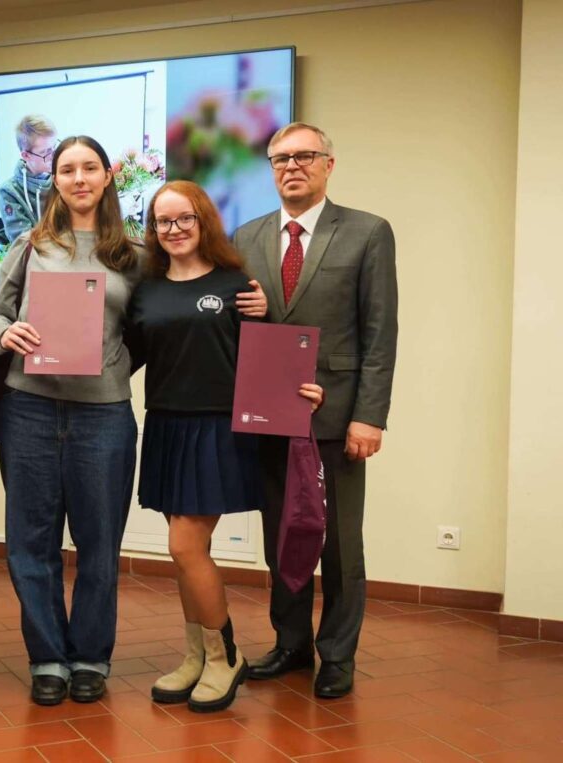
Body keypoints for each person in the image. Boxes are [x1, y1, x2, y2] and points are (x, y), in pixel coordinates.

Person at [127, 180, 322, 713]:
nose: (174, 230)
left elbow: (271, 354)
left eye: (184, 218)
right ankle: (196, 655)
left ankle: (224, 656)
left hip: (219, 431)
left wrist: (303, 388)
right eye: (163, 222)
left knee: (184, 547)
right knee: (189, 552)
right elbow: (125, 355)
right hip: (166, 426)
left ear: (203, 221)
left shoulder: (239, 285)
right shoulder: (146, 291)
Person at [0, 135, 148, 708]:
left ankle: (91, 659)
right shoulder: (31, 246)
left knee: (100, 544)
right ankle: (48, 657)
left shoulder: (135, 254)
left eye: (90, 168)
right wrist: (4, 334)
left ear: (107, 177)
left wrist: (108, 363)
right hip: (27, 408)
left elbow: (146, 334)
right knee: (31, 542)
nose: (79, 178)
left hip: (104, 415)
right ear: (54, 179)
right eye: (68, 169)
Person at [233, 122, 398, 699]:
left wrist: (368, 416)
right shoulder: (246, 237)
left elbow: (380, 333)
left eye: (304, 156)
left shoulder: (367, 233)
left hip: (337, 419)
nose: (291, 167)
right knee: (283, 537)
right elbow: (237, 332)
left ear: (329, 164)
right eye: (280, 159)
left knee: (338, 544)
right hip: (269, 418)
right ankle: (291, 643)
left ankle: (337, 655)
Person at [0, 115, 57, 243]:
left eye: (54, 147)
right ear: (26, 155)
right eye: (45, 153)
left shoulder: (61, 180)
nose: (54, 156)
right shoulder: (9, 191)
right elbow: (23, 242)